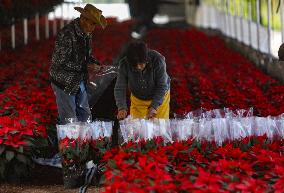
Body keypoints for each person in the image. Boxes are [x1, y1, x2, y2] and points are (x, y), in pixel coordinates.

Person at [49, 4, 107, 124]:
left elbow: (87, 56)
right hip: (64, 82)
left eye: (95, 24)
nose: (93, 27)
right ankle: (70, 142)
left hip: (78, 79)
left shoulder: (86, 33)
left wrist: (96, 64)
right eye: (92, 23)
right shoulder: (67, 34)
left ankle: (83, 141)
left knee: (85, 115)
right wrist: (86, 67)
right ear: (83, 19)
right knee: (69, 119)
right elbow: (60, 62)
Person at [114, 41, 170, 120]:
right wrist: (121, 107)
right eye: (134, 65)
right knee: (138, 128)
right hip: (138, 99)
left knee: (159, 128)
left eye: (141, 64)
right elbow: (120, 87)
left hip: (159, 97)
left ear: (146, 59)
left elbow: (162, 86)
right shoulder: (124, 64)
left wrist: (154, 106)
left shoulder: (158, 60)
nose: (138, 67)